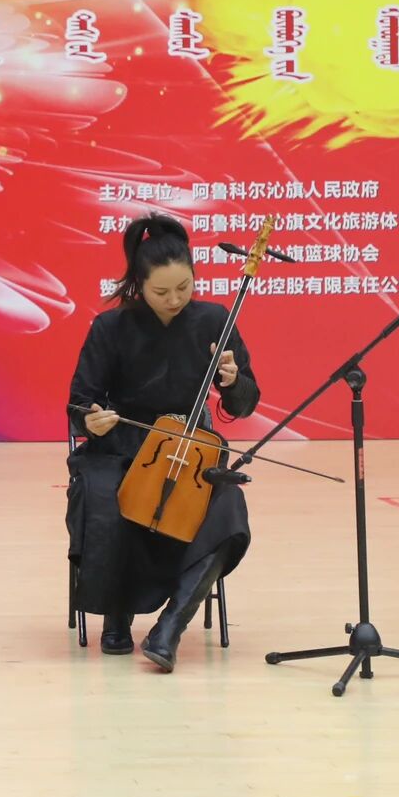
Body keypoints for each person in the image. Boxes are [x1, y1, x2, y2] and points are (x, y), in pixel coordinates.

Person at [66, 214, 257, 671]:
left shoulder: (215, 319)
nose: (174, 300)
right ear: (139, 284)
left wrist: (233, 381)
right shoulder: (110, 328)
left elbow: (246, 401)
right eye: (161, 292)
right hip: (123, 444)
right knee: (112, 496)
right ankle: (117, 612)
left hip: (191, 447)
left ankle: (170, 625)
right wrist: (92, 420)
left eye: (184, 288)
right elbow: (79, 403)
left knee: (229, 506)